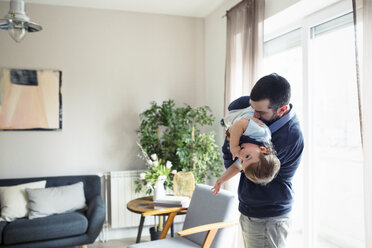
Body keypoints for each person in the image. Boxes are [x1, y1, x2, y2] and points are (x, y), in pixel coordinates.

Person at [222, 73, 304, 248]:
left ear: (281, 110)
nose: (254, 114)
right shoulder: (259, 122)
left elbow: (234, 163)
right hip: (252, 210)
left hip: (268, 217)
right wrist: (235, 132)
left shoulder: (288, 137)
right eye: (252, 108)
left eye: (260, 112)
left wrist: (233, 135)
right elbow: (234, 159)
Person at [211, 109, 280, 194]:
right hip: (242, 109)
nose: (241, 155)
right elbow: (239, 124)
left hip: (233, 123)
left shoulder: (251, 161)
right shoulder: (261, 134)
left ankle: (225, 122)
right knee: (231, 114)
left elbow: (236, 167)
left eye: (242, 161)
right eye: (247, 156)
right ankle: (224, 121)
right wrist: (234, 147)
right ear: (263, 149)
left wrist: (222, 180)